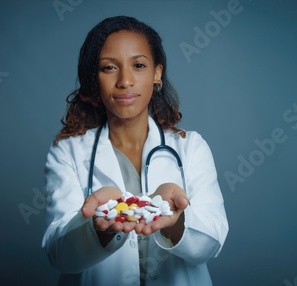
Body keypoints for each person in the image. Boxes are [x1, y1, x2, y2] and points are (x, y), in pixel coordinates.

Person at [42, 16, 228, 286]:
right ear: (95, 78)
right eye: (109, 68)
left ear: (157, 74)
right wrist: (98, 226)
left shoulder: (191, 147)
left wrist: (175, 220)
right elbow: (59, 255)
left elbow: (212, 242)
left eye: (138, 65)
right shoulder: (67, 151)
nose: (125, 80)